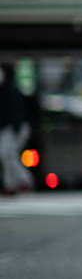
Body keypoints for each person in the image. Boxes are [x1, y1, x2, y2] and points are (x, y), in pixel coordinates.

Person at [0, 63, 33, 194]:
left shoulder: (11, 89)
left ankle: (23, 180)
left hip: (15, 128)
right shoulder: (5, 89)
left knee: (7, 154)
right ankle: (12, 184)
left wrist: (16, 128)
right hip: (10, 128)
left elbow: (16, 111)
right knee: (7, 156)